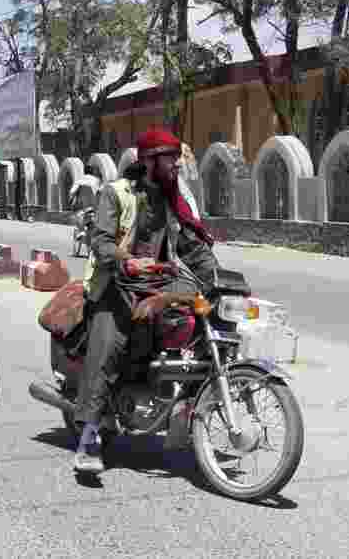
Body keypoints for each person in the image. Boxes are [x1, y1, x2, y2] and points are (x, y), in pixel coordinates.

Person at [73, 128, 219, 475]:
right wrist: (126, 259)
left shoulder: (172, 200)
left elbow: (190, 246)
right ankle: (88, 440)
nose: (177, 166)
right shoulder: (117, 193)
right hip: (116, 285)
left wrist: (219, 279)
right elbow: (101, 241)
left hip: (157, 283)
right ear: (150, 161)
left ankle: (185, 407)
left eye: (178, 159)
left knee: (202, 323)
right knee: (108, 348)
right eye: (171, 159)